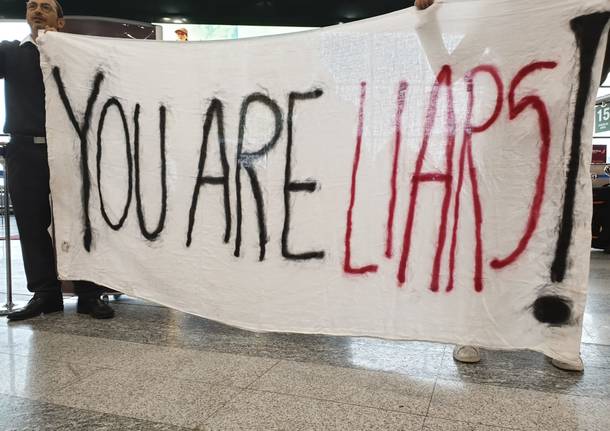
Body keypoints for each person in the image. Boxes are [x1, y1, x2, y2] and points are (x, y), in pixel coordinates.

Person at [413, 0, 610, 371]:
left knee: (558, 237)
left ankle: (558, 336)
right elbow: (450, 70)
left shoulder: (580, 4)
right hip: (501, 139)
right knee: (487, 234)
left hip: (558, 140)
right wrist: (427, 20)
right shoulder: (498, 10)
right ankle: (474, 329)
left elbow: (596, 68)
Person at [0, 0, 114, 320]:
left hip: (70, 149)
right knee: (31, 223)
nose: (37, 10)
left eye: (46, 7)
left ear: (60, 21)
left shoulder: (79, 55)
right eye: (31, 6)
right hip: (25, 149)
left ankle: (89, 294)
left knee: (78, 221)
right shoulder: (10, 53)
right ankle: (45, 294)